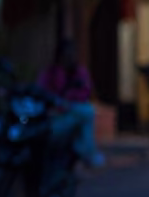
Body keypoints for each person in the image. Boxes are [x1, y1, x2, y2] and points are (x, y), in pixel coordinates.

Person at [39, 39, 104, 170]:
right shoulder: (51, 72)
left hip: (70, 110)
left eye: (71, 54)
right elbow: (40, 88)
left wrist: (67, 99)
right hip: (52, 114)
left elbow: (85, 91)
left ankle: (87, 152)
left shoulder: (78, 72)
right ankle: (88, 153)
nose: (68, 57)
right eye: (65, 54)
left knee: (88, 111)